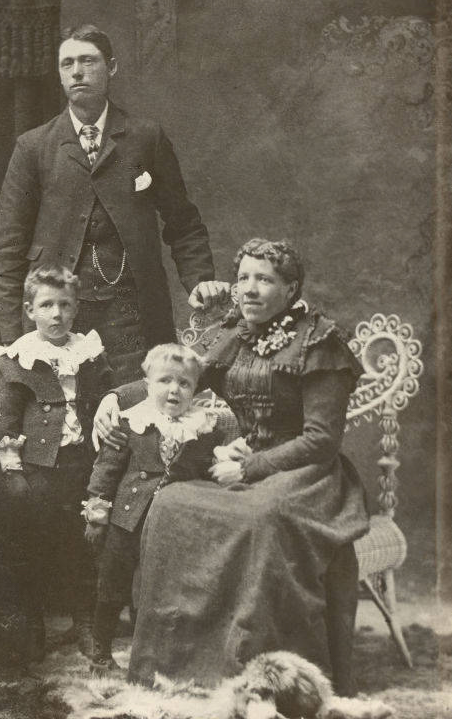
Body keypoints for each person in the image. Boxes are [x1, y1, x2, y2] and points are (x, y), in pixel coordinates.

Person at [94, 238, 370, 695]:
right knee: (171, 503)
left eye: (265, 279)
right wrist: (114, 397)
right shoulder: (236, 332)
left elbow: (321, 441)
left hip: (308, 476)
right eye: (243, 277)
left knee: (261, 518)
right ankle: (181, 662)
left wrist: (251, 468)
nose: (250, 289)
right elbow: (176, 372)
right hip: (237, 460)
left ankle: (256, 668)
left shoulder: (319, 340)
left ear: (291, 288)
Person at [0, 23, 230, 387]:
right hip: (58, 317)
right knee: (66, 427)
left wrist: (200, 281)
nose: (77, 72)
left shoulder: (146, 137)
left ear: (112, 67)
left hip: (131, 313)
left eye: (88, 61)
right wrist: (14, 337)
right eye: (67, 63)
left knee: (132, 417)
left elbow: (183, 224)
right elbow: (8, 251)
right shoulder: (34, 147)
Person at [0, 264, 110, 662]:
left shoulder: (88, 352)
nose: (56, 314)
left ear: (76, 309)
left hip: (83, 462)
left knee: (86, 544)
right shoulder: (20, 357)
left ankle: (87, 622)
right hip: (39, 467)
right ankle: (32, 622)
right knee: (35, 543)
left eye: (65, 305)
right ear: (29, 310)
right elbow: (5, 417)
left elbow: (106, 400)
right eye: (46, 305)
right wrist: (13, 468)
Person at [81, 343, 223, 674]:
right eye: (165, 381)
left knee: (160, 587)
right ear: (147, 385)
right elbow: (106, 469)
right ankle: (101, 652)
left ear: (194, 389)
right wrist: (97, 513)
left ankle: (155, 651)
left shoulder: (202, 429)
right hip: (127, 520)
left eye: (184, 383)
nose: (174, 389)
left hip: (172, 524)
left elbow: (205, 473)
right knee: (112, 584)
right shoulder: (132, 422)